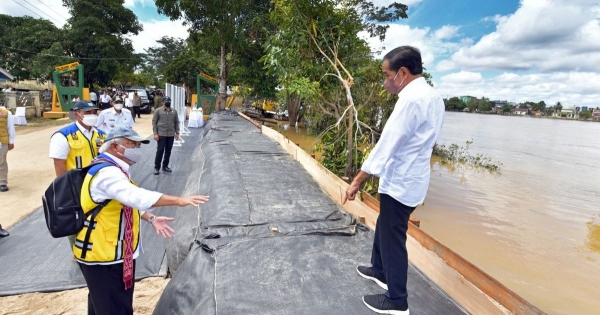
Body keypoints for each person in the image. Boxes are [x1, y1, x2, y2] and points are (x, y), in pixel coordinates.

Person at [343, 46, 444, 315]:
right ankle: (380, 270)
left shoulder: (411, 100)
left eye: (387, 75)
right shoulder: (432, 96)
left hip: (402, 181)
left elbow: (386, 146)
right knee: (385, 225)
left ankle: (397, 300)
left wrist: (356, 182)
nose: (385, 81)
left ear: (402, 73)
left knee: (392, 237)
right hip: (410, 177)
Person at [74, 126, 209, 315]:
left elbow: (120, 202)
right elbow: (135, 196)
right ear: (114, 146)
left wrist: (150, 217)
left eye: (138, 145)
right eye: (132, 145)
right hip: (103, 254)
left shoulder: (112, 167)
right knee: (114, 307)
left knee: (102, 302)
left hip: (110, 250)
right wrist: (178, 200)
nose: (137, 149)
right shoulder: (107, 173)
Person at [50, 101, 106, 250]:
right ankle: (77, 250)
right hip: (75, 185)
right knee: (76, 218)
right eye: (88, 113)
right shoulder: (63, 135)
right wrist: (64, 188)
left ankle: (96, 246)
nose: (93, 116)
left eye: (95, 112)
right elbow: (59, 163)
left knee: (98, 215)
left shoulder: (101, 135)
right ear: (77, 114)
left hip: (98, 183)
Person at [152, 96, 179, 175]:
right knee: (160, 151)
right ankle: (157, 167)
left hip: (170, 134)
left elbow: (176, 122)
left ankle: (165, 166)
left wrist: (177, 132)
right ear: (162, 102)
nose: (168, 102)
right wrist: (155, 133)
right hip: (161, 134)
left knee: (168, 151)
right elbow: (154, 122)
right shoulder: (158, 111)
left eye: (169, 100)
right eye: (166, 101)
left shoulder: (174, 111)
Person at [0, 102, 16, 192]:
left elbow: (10, 128)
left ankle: (2, 183)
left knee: (1, 162)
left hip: (2, 142)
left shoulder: (6, 113)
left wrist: (11, 141)